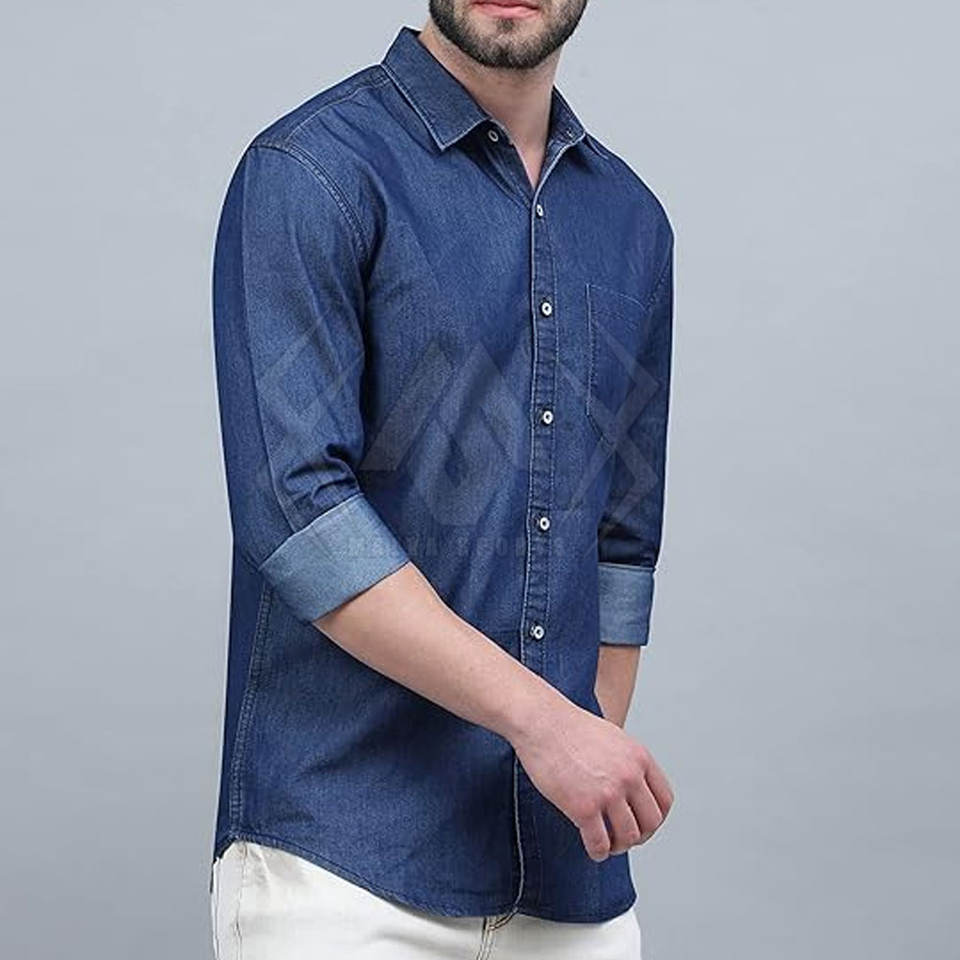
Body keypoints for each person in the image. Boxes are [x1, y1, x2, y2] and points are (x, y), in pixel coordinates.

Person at [209, 3, 675, 957]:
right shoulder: (310, 171)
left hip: (565, 878)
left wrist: (581, 752)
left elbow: (623, 545)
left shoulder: (633, 222)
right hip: (343, 872)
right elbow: (301, 516)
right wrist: (547, 726)